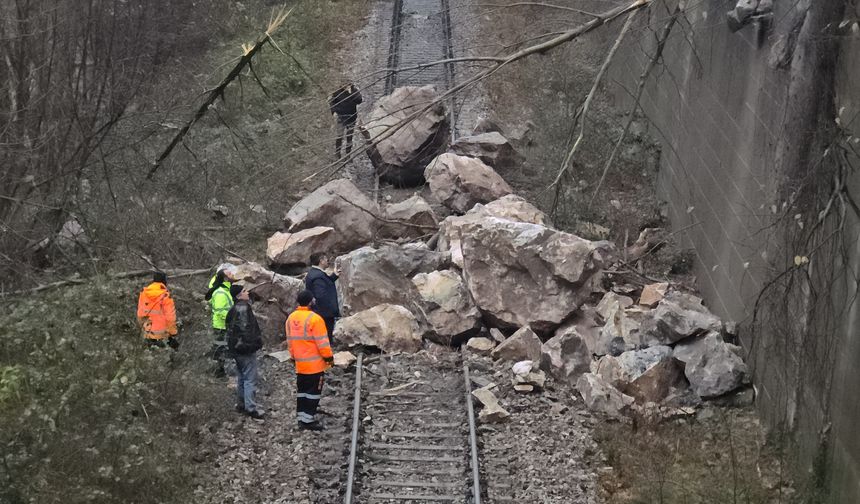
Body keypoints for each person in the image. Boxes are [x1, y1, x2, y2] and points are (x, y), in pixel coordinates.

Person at [285, 289, 334, 431]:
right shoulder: (315, 319)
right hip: (315, 365)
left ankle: (301, 416)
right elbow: (323, 343)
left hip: (300, 364)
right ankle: (308, 420)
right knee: (313, 393)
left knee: (302, 391)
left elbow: (290, 341)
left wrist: (293, 357)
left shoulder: (291, 318)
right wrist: (329, 359)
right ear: (311, 301)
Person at [226, 285, 265, 419]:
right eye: (244, 291)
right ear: (238, 296)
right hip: (244, 349)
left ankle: (241, 404)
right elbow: (245, 330)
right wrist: (253, 345)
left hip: (236, 349)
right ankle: (251, 408)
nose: (247, 292)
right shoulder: (243, 308)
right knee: (250, 378)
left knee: (242, 377)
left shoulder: (232, 309)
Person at [136, 271, 179, 349]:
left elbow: (140, 315)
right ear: (164, 281)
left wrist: (144, 329)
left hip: (148, 334)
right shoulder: (166, 297)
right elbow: (170, 318)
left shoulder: (144, 294)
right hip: (162, 336)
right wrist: (173, 332)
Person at [304, 252, 341, 339]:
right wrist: (331, 309)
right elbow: (320, 295)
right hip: (324, 314)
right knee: (325, 338)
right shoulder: (318, 275)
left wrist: (334, 276)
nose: (327, 261)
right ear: (321, 261)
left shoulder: (314, 273)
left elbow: (324, 285)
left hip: (319, 312)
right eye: (326, 259)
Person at [206, 268, 236, 375]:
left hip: (224, 325)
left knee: (222, 348)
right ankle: (218, 372)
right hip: (221, 326)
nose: (232, 274)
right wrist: (232, 319)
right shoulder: (220, 292)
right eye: (229, 273)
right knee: (220, 349)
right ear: (225, 278)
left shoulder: (226, 290)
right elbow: (220, 311)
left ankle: (220, 371)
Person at [328, 83, 363, 159]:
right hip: (341, 117)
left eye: (347, 85)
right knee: (339, 136)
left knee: (349, 137)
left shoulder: (354, 91)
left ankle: (348, 155)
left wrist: (351, 93)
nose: (345, 86)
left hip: (351, 117)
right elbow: (332, 102)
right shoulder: (337, 92)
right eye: (343, 85)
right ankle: (338, 154)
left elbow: (359, 100)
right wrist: (334, 111)